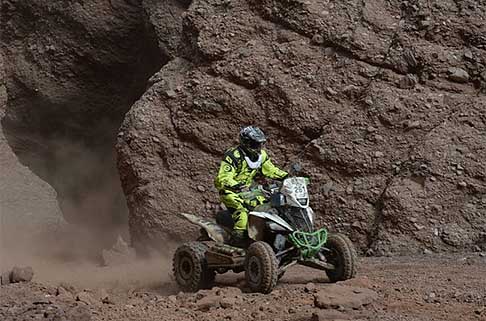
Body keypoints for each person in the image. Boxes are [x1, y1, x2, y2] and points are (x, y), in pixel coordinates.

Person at [214, 126, 288, 247]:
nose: (259, 147)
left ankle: (265, 237)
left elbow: (271, 170)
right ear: (246, 143)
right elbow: (223, 177)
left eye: (260, 144)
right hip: (230, 191)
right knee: (242, 213)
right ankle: (236, 243)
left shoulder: (262, 156)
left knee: (271, 206)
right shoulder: (233, 155)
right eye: (255, 144)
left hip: (249, 190)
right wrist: (236, 185)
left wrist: (286, 176)